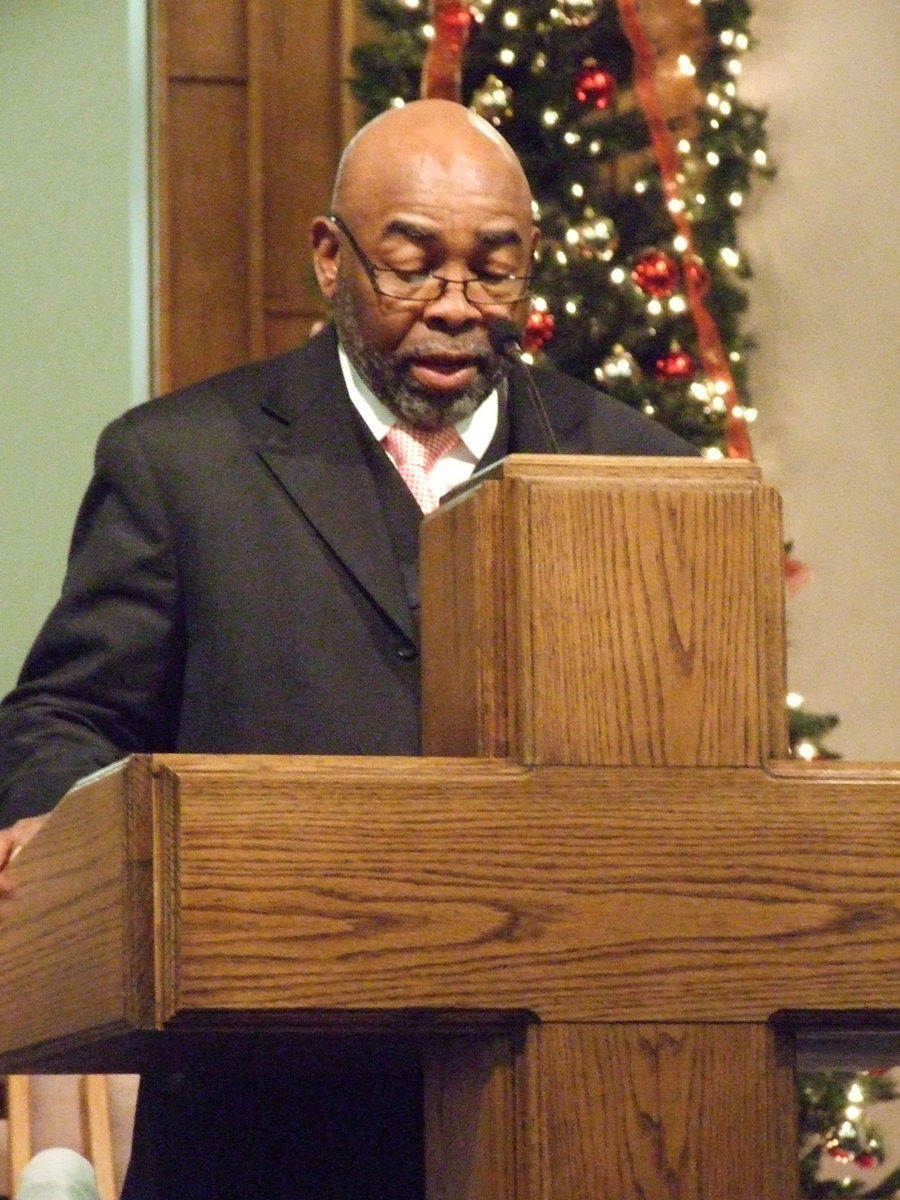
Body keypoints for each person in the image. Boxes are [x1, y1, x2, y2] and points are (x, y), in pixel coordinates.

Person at [0, 98, 696, 1198]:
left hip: (566, 1109)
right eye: (411, 268)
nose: (456, 308)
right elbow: (65, 715)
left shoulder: (640, 468)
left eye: (496, 271)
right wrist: (61, 824)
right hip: (259, 1111)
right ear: (331, 257)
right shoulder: (181, 463)